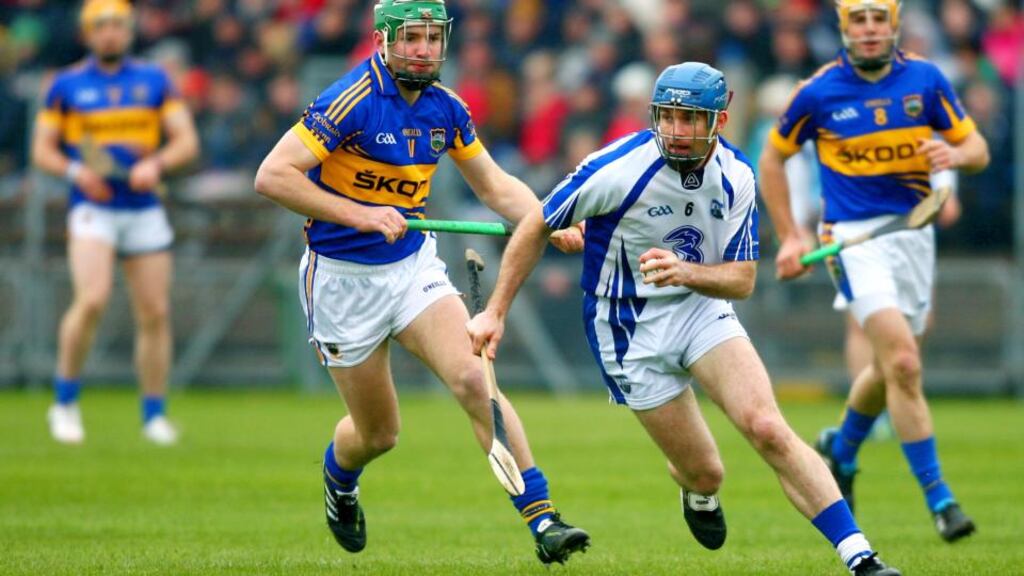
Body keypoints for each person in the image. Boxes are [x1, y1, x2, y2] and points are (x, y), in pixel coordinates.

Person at [467, 61, 900, 576]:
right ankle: (696, 493)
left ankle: (860, 557)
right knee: (706, 472)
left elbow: (741, 279)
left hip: (699, 310)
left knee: (767, 428)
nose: (676, 130)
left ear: (719, 119)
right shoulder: (618, 168)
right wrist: (495, 311)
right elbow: (537, 223)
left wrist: (687, 273)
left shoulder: (737, 176)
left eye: (690, 118)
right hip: (626, 327)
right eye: (668, 116)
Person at [254, 0, 589, 565]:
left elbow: (495, 185)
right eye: (411, 37)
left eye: (433, 38)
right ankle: (340, 480)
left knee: (472, 378)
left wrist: (546, 219)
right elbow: (272, 176)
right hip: (342, 280)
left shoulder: (446, 108)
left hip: (413, 269)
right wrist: (359, 213)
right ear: (384, 41)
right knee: (379, 434)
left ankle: (544, 519)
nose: (423, 49)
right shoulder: (350, 100)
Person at [758, 0, 989, 543]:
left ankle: (840, 449)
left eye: (877, 20)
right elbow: (773, 159)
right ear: (844, 27)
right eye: (857, 21)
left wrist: (954, 158)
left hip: (914, 235)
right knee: (904, 363)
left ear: (894, 25)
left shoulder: (927, 80)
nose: (868, 30)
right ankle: (941, 501)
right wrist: (791, 233)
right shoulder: (818, 92)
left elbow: (975, 146)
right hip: (853, 240)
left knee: (891, 369)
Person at [32, 0, 199, 446]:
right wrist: (76, 171)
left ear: (129, 31)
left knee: (156, 311)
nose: (110, 34)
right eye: (101, 27)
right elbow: (43, 150)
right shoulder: (65, 84)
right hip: (93, 205)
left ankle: (154, 414)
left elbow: (186, 141)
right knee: (92, 299)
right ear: (88, 34)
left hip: (142, 206)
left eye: (118, 26)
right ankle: (64, 403)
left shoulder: (154, 80)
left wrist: (157, 165)